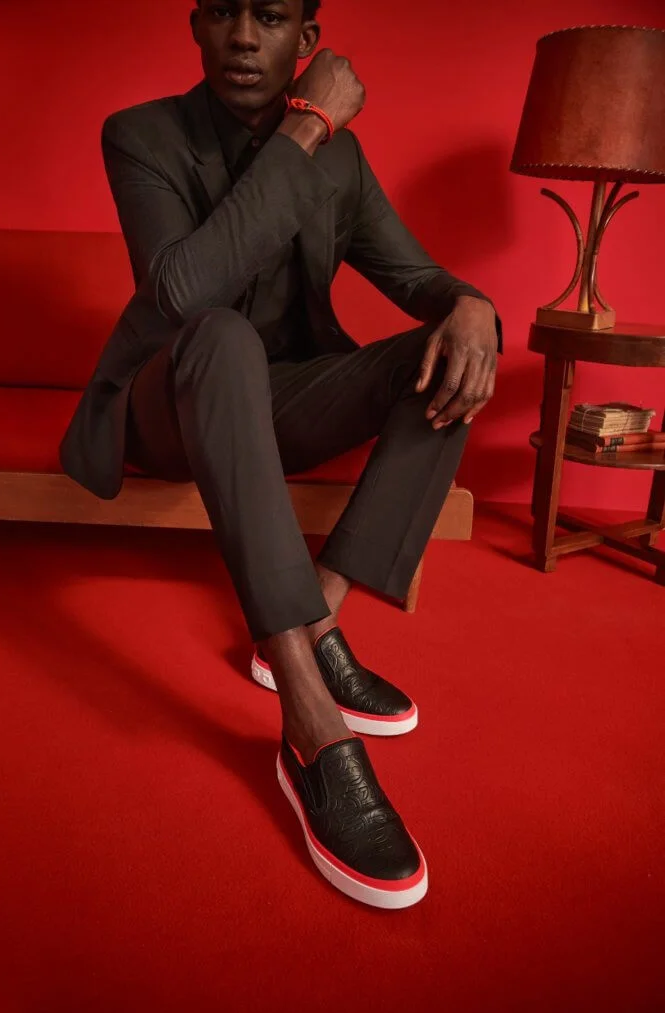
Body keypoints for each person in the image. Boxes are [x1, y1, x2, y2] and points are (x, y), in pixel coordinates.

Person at [60, 0, 500, 910]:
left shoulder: (341, 158)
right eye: (224, 13)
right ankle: (309, 714)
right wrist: (306, 127)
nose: (243, 37)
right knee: (221, 333)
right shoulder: (142, 135)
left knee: (450, 353)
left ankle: (319, 615)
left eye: (268, 17)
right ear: (195, 26)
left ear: (306, 41)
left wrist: (472, 307)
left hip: (273, 402)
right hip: (166, 406)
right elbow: (180, 291)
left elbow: (415, 276)